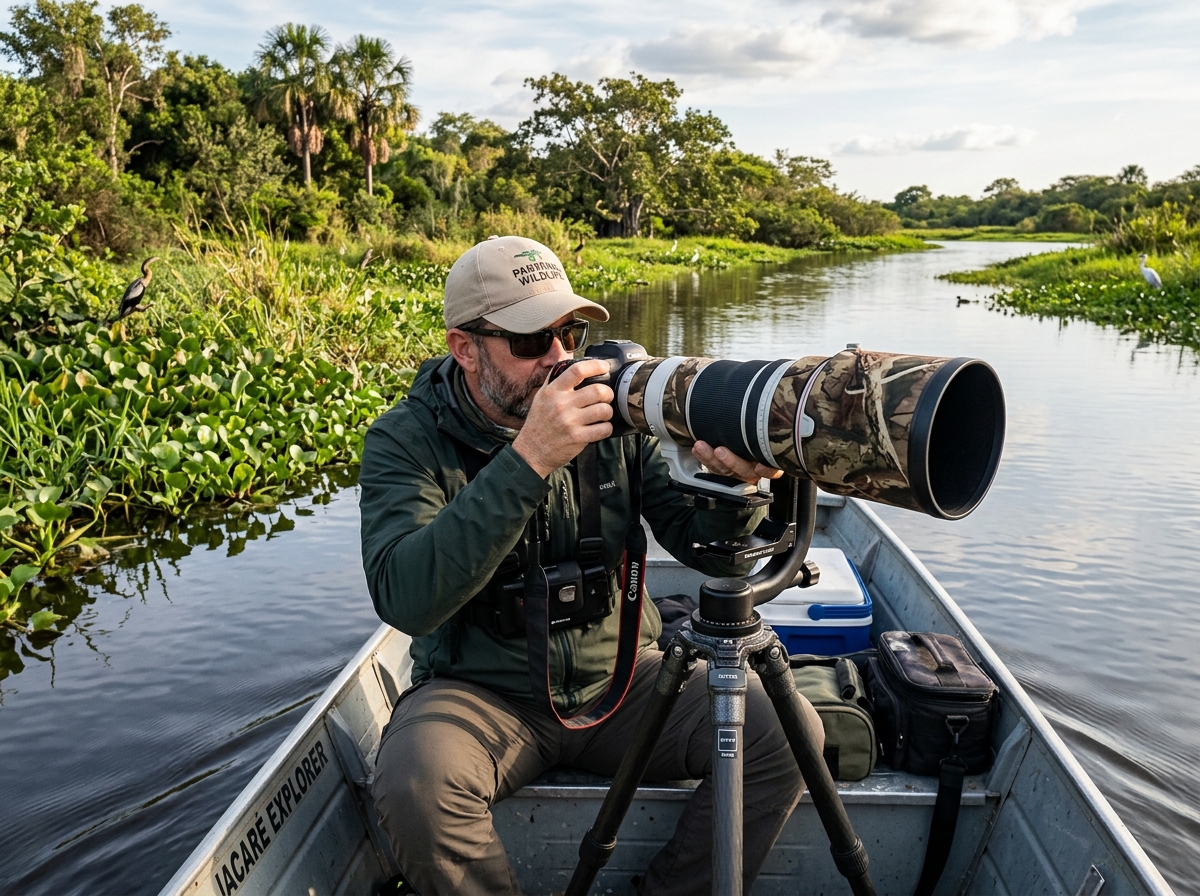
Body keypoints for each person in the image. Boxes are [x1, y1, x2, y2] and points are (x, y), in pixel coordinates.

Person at [359, 235, 821, 895]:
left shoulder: (611, 415)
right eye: (529, 343)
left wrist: (734, 491)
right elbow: (405, 599)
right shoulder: (406, 440)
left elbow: (695, 542)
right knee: (415, 785)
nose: (559, 360)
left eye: (569, 334)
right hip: (485, 695)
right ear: (465, 349)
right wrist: (529, 459)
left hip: (626, 680)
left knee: (787, 731)